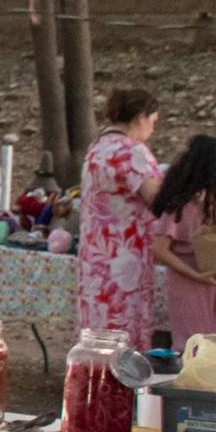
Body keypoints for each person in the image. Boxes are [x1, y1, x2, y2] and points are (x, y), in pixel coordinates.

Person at [77, 88, 165, 351]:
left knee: (96, 333)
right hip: (124, 259)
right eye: (153, 121)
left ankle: (92, 387)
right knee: (123, 331)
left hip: (94, 258)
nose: (152, 129)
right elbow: (155, 198)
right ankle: (123, 391)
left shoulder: (97, 148)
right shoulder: (132, 152)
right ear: (140, 118)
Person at [151, 134, 216, 345]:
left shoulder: (211, 202)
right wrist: (195, 274)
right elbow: (159, 249)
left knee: (211, 342)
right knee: (192, 343)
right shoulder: (181, 204)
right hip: (187, 282)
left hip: (211, 283)